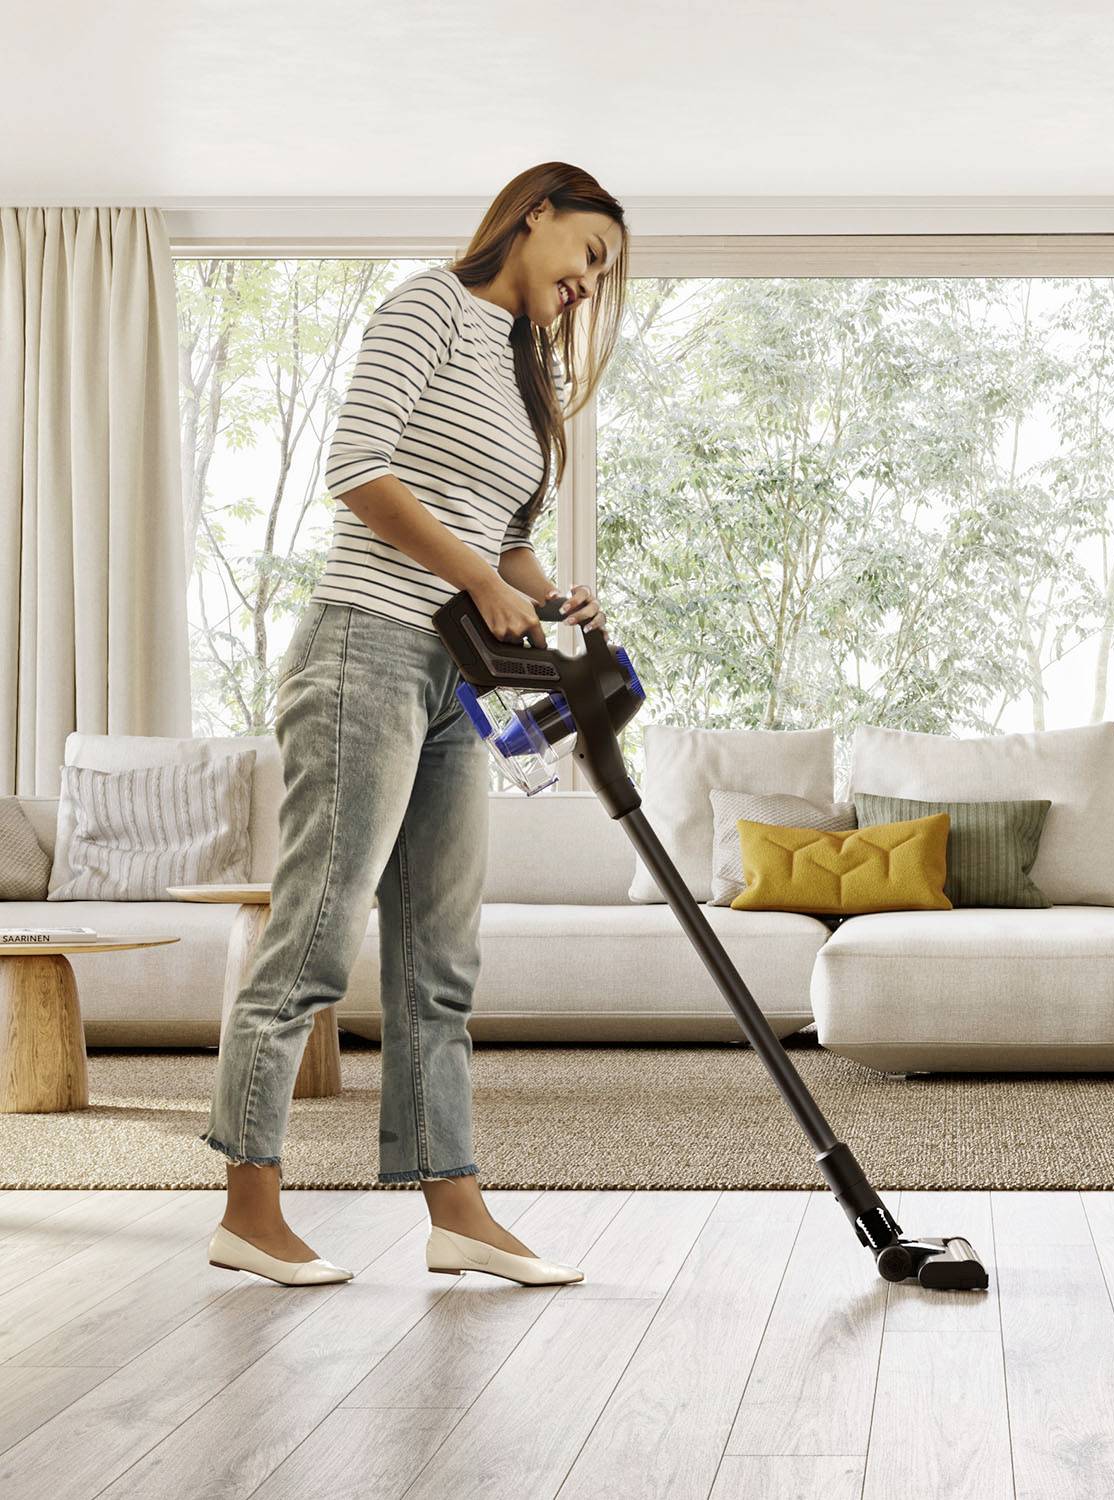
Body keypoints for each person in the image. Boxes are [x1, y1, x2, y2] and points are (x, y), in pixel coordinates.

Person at [198, 162, 629, 1287]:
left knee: (441, 956)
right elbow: (358, 470)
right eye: (586, 252)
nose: (590, 282)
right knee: (315, 935)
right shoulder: (427, 306)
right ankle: (249, 1207)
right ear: (534, 213)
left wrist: (545, 593)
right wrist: (477, 581)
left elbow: (504, 536)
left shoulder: (525, 369)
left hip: (458, 683)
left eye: (603, 274)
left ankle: (456, 1210)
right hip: (365, 652)